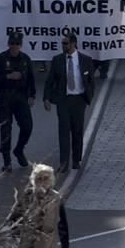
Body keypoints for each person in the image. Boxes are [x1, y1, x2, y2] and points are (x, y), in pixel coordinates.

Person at [43, 33, 95, 176]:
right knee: (64, 131)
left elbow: (91, 81)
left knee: (77, 130)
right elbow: (50, 81)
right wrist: (46, 98)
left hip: (79, 100)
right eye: (62, 44)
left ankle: (76, 159)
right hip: (63, 100)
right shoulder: (57, 60)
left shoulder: (85, 60)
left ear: (73, 44)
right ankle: (64, 162)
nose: (64, 46)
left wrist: (88, 96)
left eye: (66, 43)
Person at [0, 32, 36, 172]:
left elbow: (31, 79)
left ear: (20, 45)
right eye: (12, 43)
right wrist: (8, 76)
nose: (15, 46)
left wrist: (32, 95)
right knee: (6, 129)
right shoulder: (0, 59)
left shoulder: (25, 60)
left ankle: (19, 150)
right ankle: (6, 160)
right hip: (5, 97)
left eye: (17, 44)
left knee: (27, 126)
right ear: (9, 44)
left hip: (21, 97)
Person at [9, 162, 70, 248]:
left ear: (51, 180)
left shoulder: (56, 198)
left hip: (47, 245)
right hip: (27, 246)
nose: (42, 182)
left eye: (46, 178)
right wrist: (17, 241)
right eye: (39, 179)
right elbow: (13, 220)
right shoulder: (26, 197)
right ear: (34, 181)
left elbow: (62, 224)